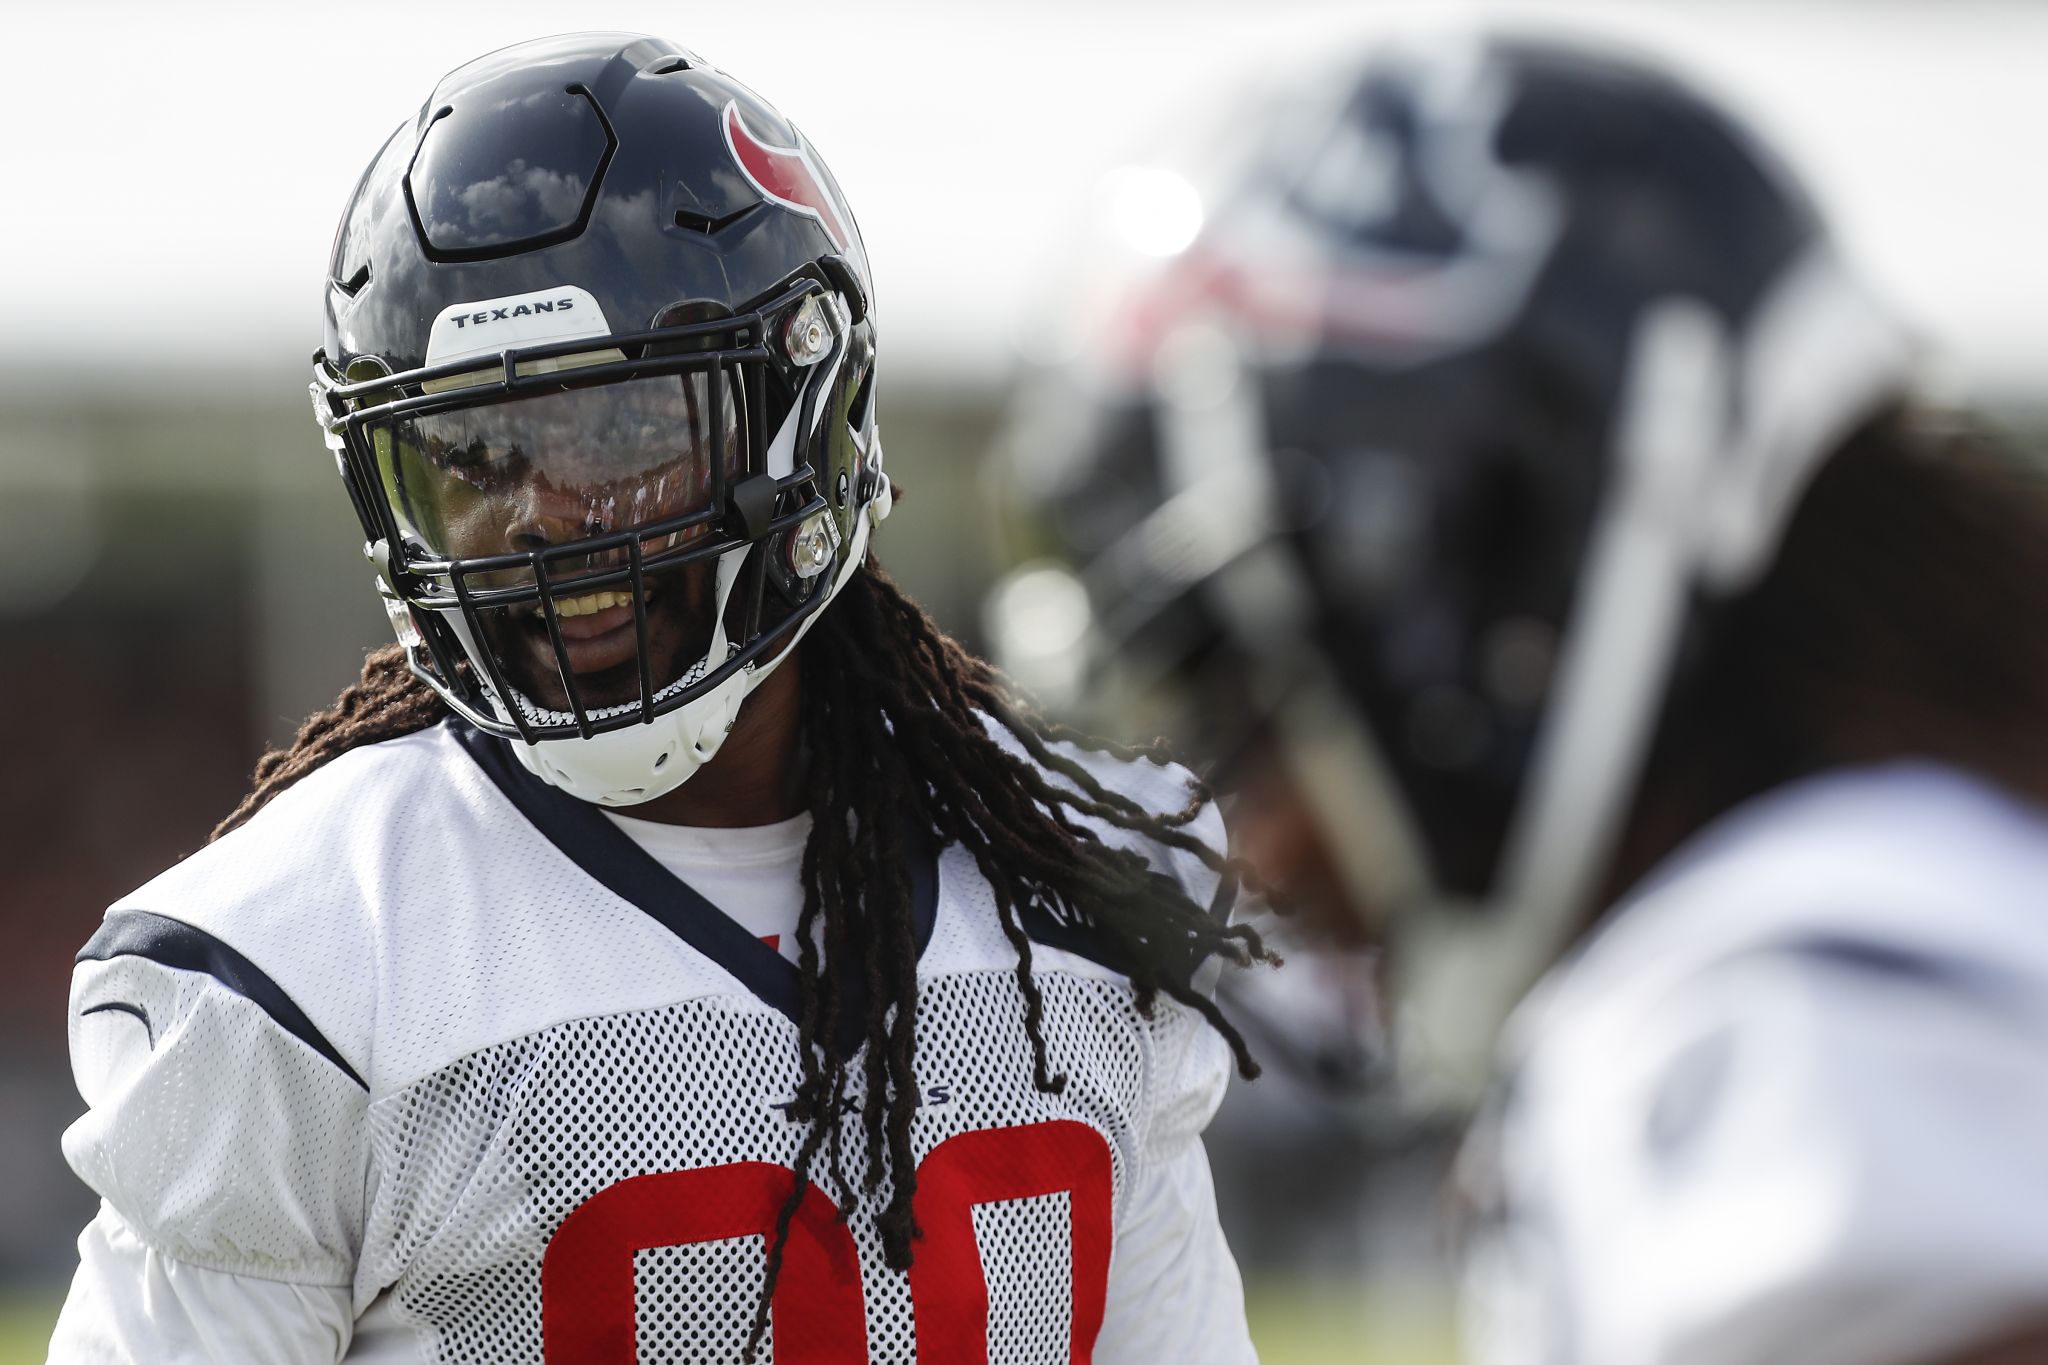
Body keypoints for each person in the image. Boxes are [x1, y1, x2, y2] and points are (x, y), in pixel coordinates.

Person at [48, 33, 1269, 1364]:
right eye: (472, 449)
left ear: (809, 413)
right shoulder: (301, 966)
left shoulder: (1071, 882)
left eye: (621, 433)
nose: (540, 513)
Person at [991, 28, 2048, 1365]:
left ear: (1485, 585)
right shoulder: (1945, 890)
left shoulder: (1798, 1006)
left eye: (1248, 700)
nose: (1254, 845)